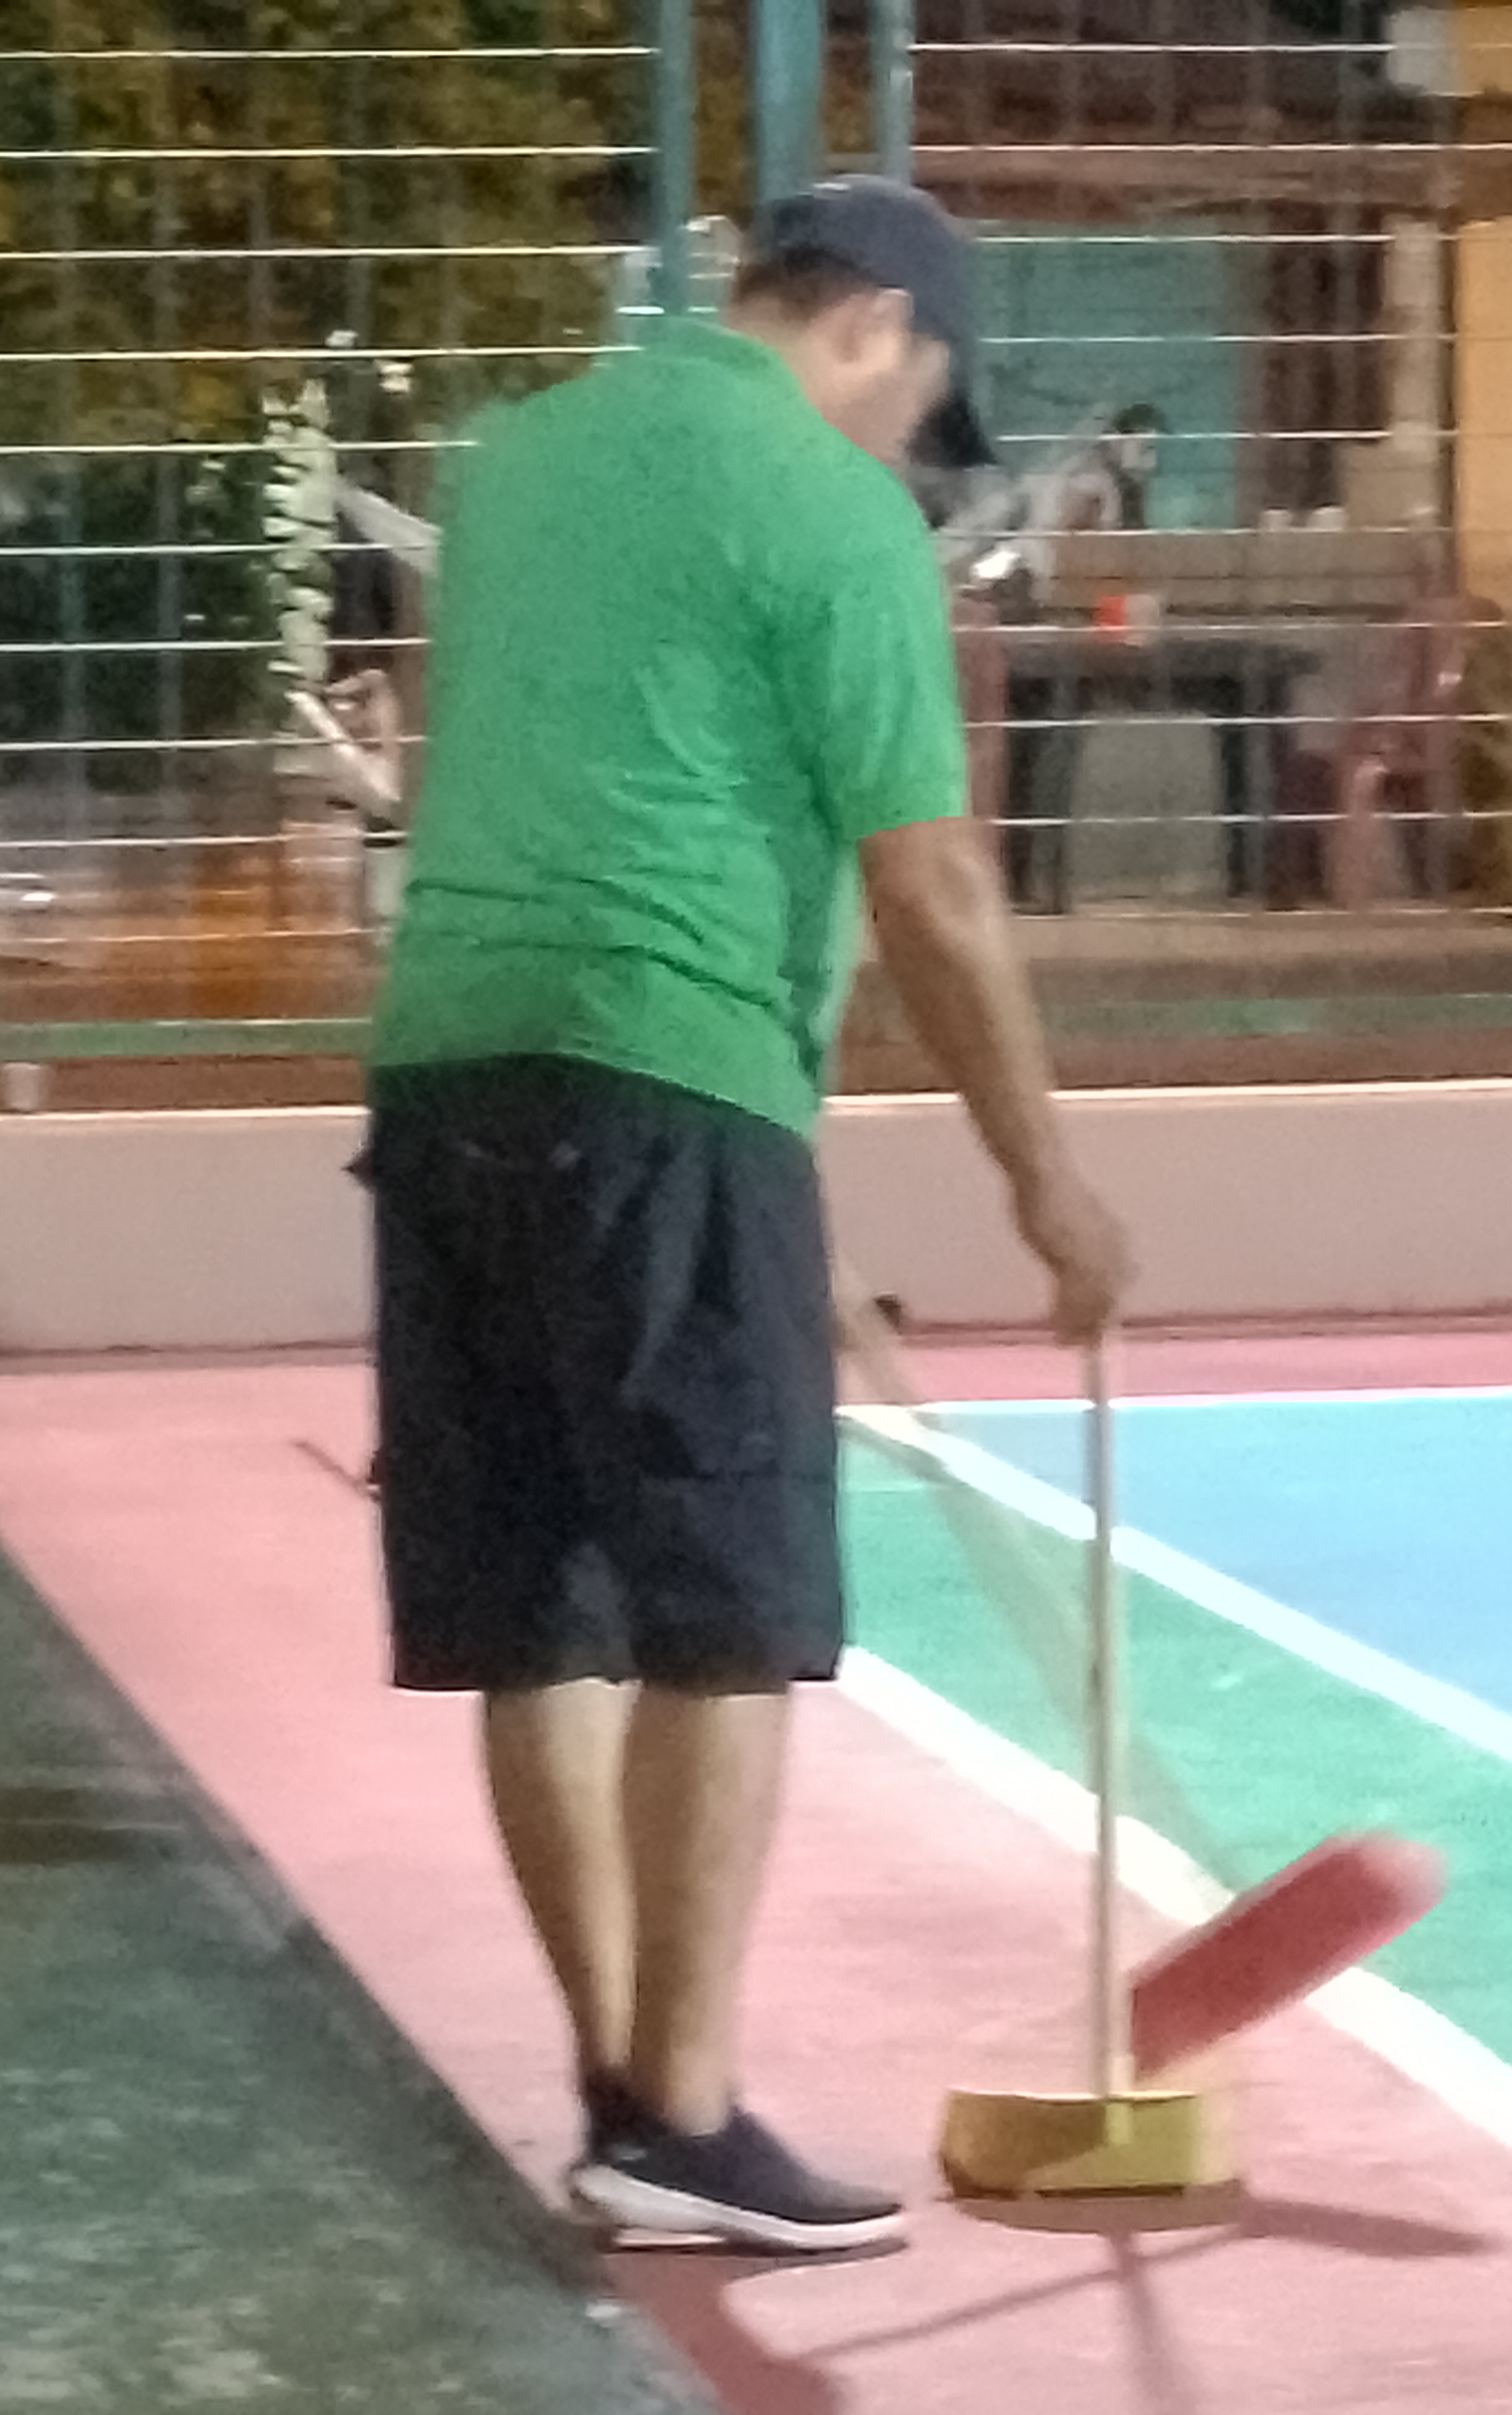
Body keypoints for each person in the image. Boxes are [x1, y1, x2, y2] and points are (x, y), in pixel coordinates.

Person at [363, 178, 1130, 2255]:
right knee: (725, 1605)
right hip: (671, 1066)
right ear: (875, 325)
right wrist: (1045, 1183)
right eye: (925, 402)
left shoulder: (514, 462)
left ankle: (625, 2089)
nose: (913, 447)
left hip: (446, 1064)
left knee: (537, 1599)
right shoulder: (833, 513)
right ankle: (684, 2114)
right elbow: (931, 879)